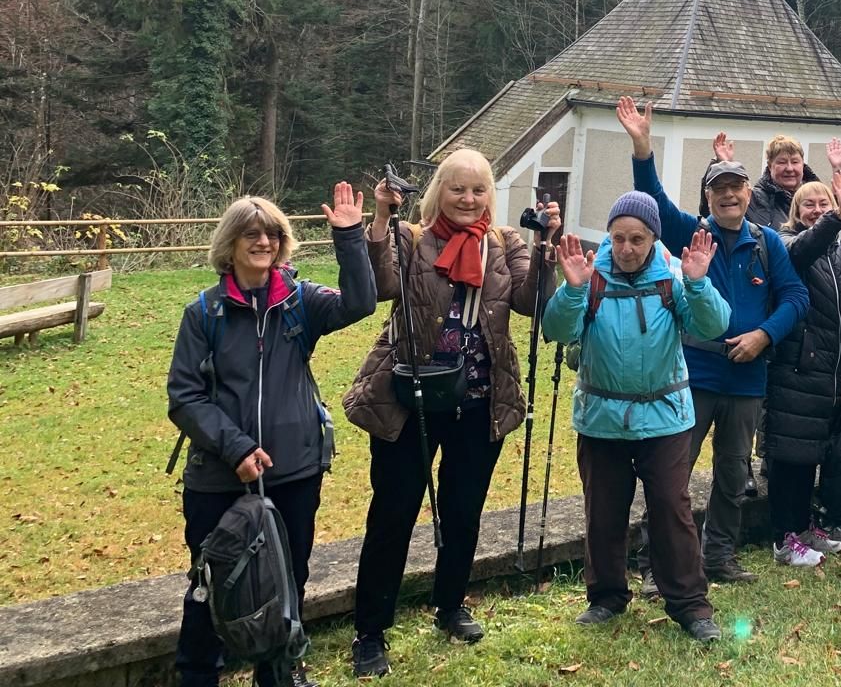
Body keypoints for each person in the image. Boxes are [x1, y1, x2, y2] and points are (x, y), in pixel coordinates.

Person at [344, 150, 559, 677]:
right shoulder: (414, 239)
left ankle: (450, 603)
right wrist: (379, 219)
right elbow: (383, 286)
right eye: (458, 189)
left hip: (481, 399)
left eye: (478, 190)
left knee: (464, 511)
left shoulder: (505, 244)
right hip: (409, 400)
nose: (468, 200)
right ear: (439, 191)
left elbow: (534, 302)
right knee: (393, 515)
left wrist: (545, 247)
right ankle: (370, 630)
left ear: (490, 195)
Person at [168, 186, 376, 687]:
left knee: (288, 575)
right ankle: (198, 673)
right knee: (211, 577)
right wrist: (236, 447)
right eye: (250, 233)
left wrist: (349, 236)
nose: (262, 241)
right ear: (231, 243)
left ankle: (279, 669)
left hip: (294, 469)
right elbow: (184, 396)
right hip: (219, 475)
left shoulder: (300, 303)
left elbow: (362, 303)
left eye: (272, 233)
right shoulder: (205, 313)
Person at [617, 96, 809, 583]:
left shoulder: (767, 244)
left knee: (731, 475)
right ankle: (654, 560)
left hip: (747, 380)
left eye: (736, 188)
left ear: (748, 194)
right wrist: (642, 147)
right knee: (671, 473)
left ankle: (718, 557)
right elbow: (653, 201)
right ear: (708, 197)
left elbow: (795, 299)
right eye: (718, 188)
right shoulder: (688, 233)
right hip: (695, 374)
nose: (728, 196)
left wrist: (765, 337)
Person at [542, 199, 729, 643]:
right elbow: (556, 331)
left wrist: (699, 283)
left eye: (637, 238)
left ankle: (689, 605)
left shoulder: (672, 276)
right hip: (602, 419)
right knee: (603, 512)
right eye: (619, 237)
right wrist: (571, 291)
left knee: (672, 508)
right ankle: (606, 596)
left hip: (664, 419)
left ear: (653, 238)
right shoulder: (590, 277)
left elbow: (713, 326)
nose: (626, 248)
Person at [764, 175, 841, 561]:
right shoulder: (785, 242)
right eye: (810, 204)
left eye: (824, 203)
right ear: (796, 210)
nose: (818, 210)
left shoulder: (840, 253)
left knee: (810, 456)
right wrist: (838, 214)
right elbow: (803, 250)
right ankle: (782, 538)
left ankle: (803, 527)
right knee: (788, 456)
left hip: (829, 373)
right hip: (796, 368)